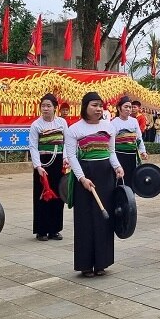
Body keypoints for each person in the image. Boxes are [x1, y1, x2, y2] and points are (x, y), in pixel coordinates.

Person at [63, 92, 124, 277]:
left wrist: (118, 167)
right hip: (86, 177)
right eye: (94, 105)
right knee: (86, 221)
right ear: (85, 107)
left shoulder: (109, 127)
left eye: (100, 106)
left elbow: (111, 152)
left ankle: (102, 263)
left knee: (104, 219)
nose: (98, 109)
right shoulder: (74, 129)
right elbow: (72, 157)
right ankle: (85, 264)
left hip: (106, 176)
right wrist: (82, 178)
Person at [28, 94, 68, 242]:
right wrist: (38, 166)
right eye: (43, 106)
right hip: (43, 164)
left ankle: (55, 230)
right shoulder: (36, 125)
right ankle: (41, 230)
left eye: (48, 106)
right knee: (42, 196)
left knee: (58, 196)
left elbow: (67, 142)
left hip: (58, 162)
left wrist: (65, 158)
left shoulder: (62, 122)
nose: (45, 109)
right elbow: (33, 146)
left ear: (55, 108)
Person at [111, 96, 148, 189]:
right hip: (119, 155)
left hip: (132, 156)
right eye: (126, 107)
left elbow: (139, 138)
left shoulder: (134, 121)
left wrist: (143, 151)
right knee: (120, 179)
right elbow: (110, 143)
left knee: (132, 179)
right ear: (119, 108)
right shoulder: (113, 123)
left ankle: (131, 201)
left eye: (130, 107)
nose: (128, 109)